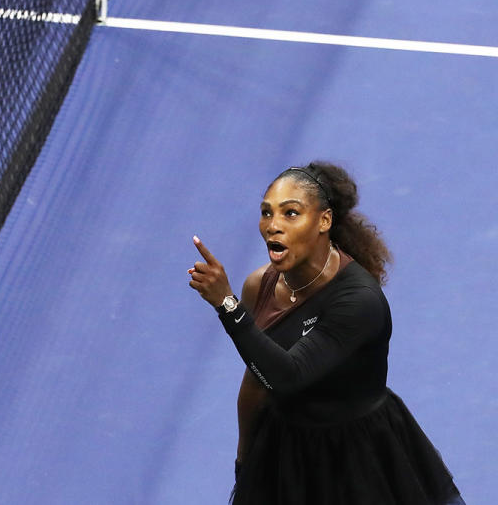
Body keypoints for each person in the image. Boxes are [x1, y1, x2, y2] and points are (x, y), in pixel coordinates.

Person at [187, 162, 463, 505]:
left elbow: (288, 376)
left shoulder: (359, 302)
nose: (273, 226)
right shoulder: (259, 285)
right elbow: (257, 379)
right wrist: (244, 458)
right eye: (266, 213)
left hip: (362, 458)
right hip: (286, 453)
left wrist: (227, 306)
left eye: (291, 213)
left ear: (324, 221)